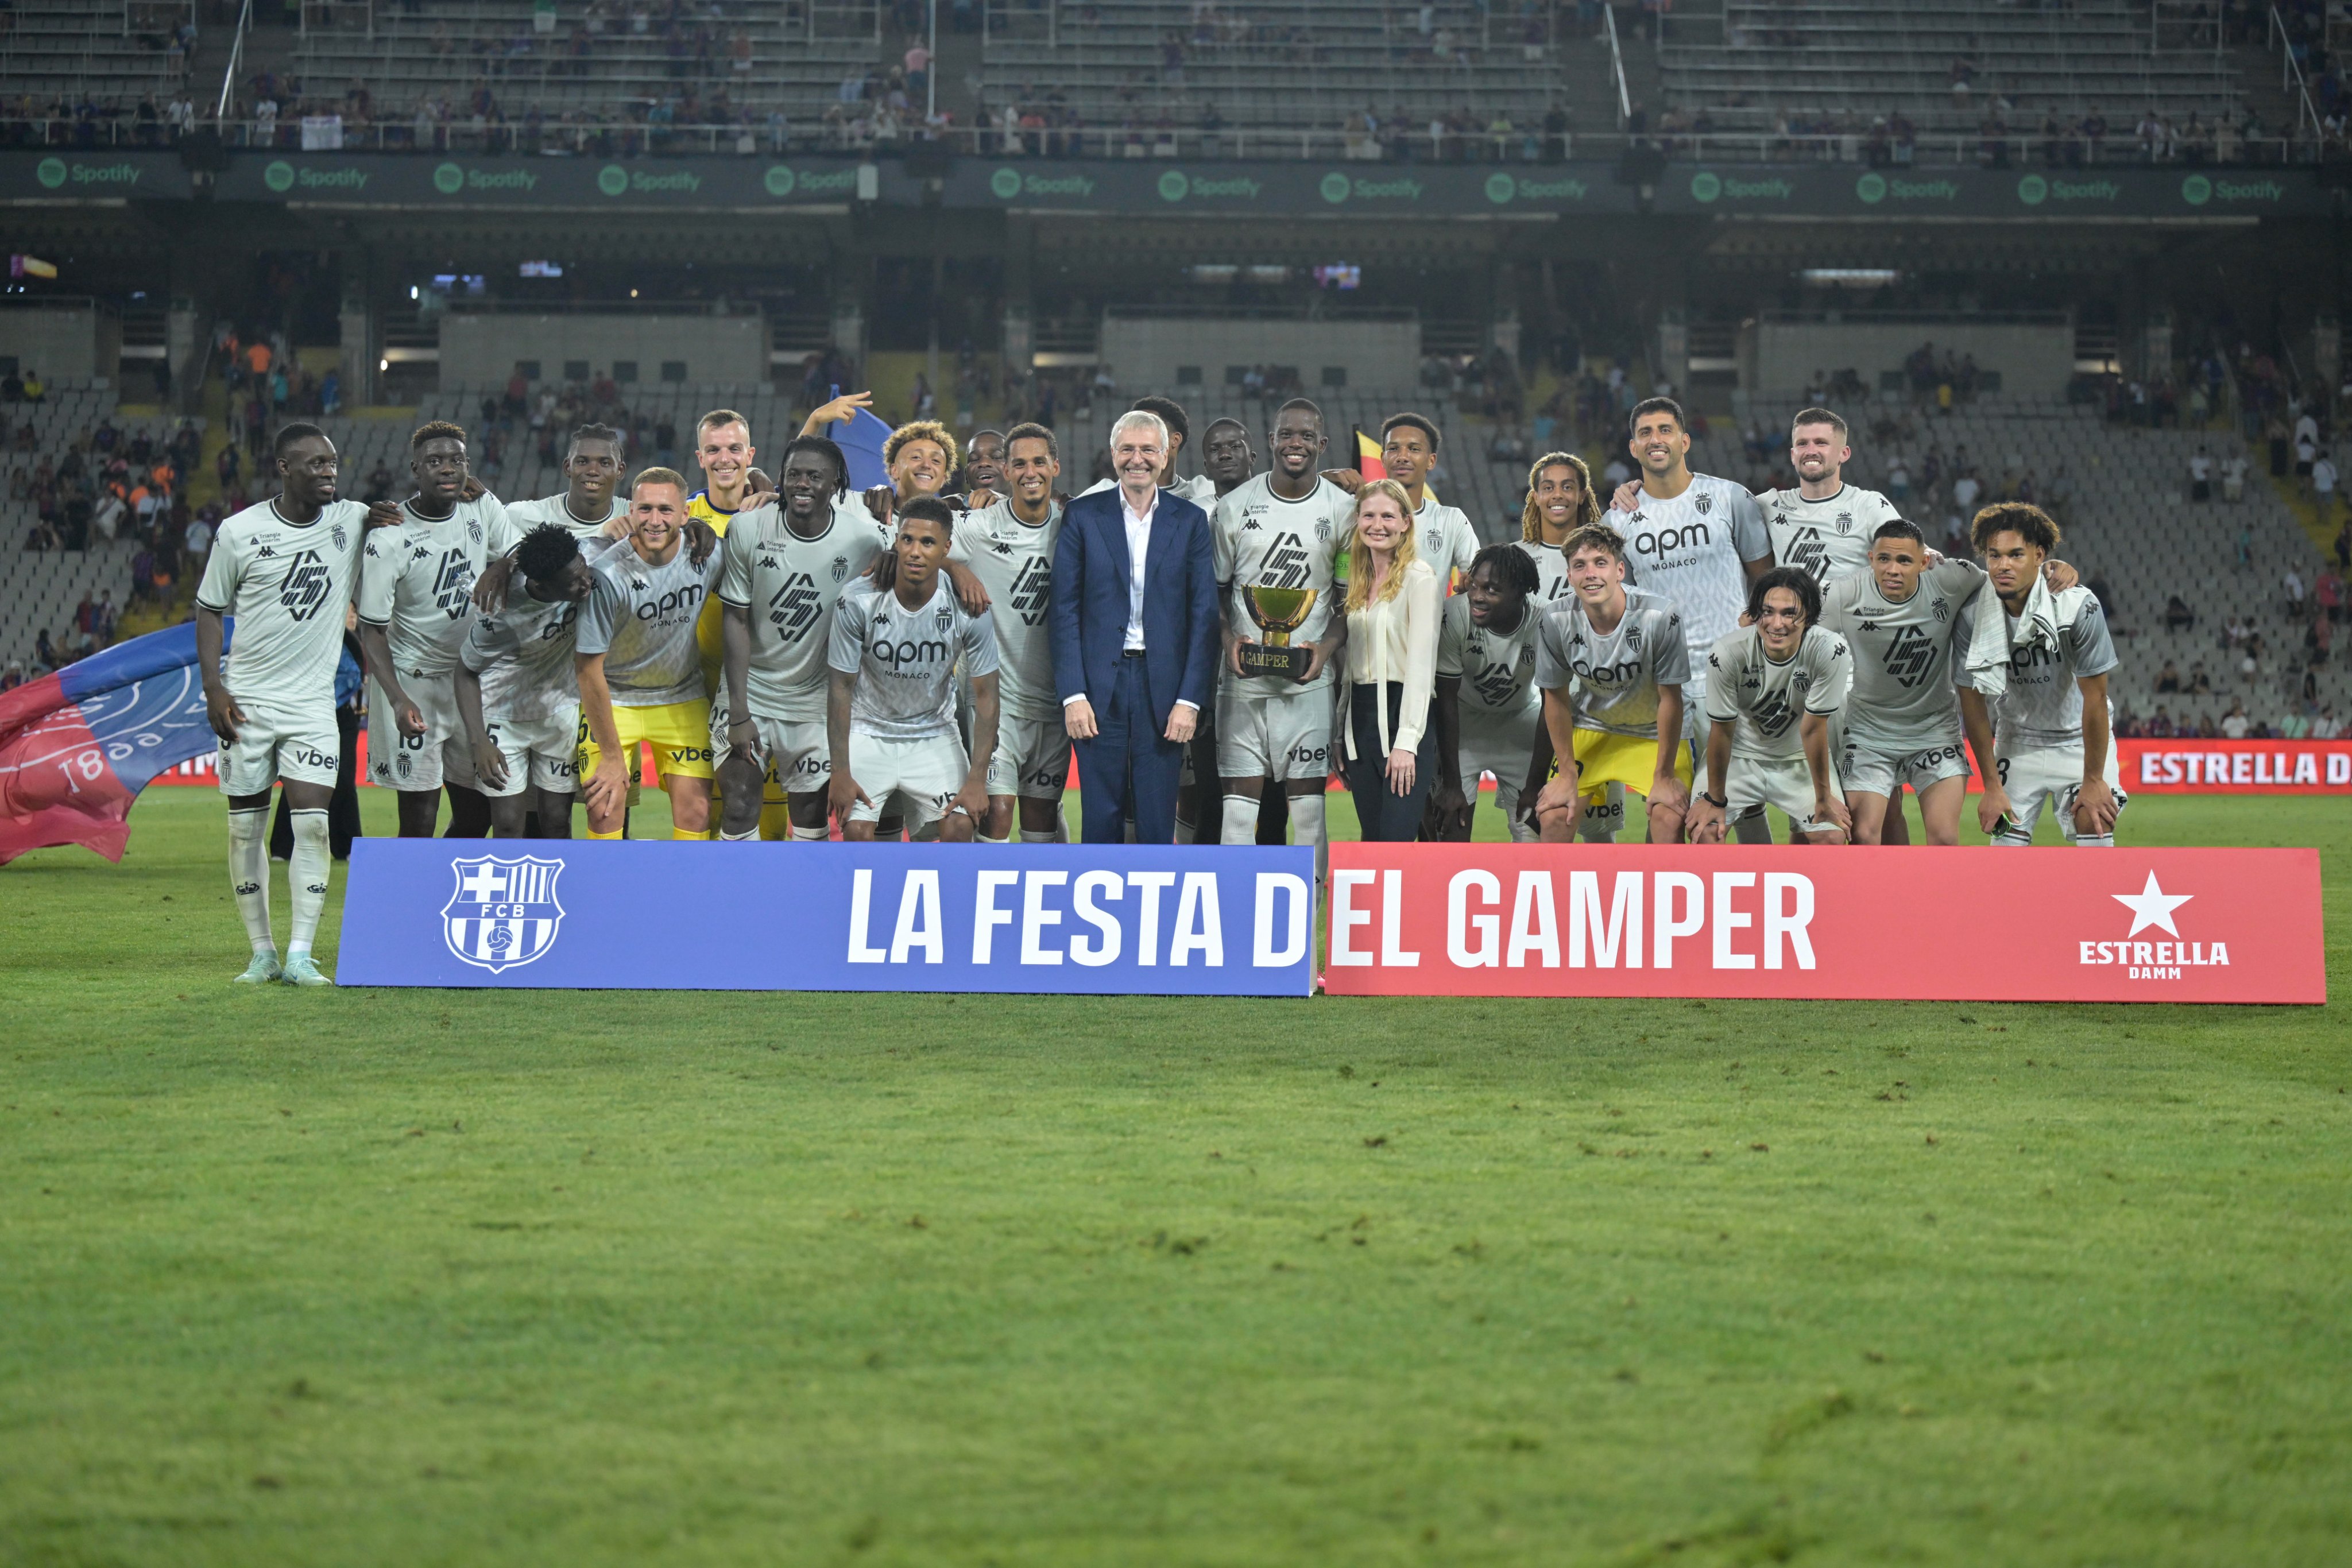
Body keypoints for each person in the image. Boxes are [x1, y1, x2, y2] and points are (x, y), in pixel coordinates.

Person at [192, 424, 370, 986]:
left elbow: (420, 507)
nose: (328, 472)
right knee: (245, 830)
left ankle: (301, 952)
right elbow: (208, 609)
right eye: (315, 463)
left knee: (313, 826)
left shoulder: (352, 519)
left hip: (313, 706)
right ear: (284, 468)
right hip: (247, 703)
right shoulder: (238, 531)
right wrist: (214, 689)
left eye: (333, 463)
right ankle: (262, 951)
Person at [1050, 408, 1219, 844]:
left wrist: (1189, 700)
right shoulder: (1084, 516)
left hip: (1162, 688)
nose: (1137, 458)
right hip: (1096, 687)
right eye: (1128, 449)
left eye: (1148, 449)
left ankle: (1156, 911)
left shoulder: (1190, 521)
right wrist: (1073, 694)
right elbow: (1064, 609)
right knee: (1100, 817)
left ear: (1165, 455)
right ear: (1113, 454)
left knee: (1157, 818)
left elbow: (1204, 618)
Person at [714, 435, 888, 843]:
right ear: (780, 478)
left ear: (835, 485)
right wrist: (738, 712)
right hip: (751, 689)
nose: (802, 484)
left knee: (810, 816)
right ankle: (739, 903)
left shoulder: (865, 542)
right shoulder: (748, 527)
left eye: (815, 476)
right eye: (794, 475)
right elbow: (735, 620)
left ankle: (798, 904)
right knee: (738, 803)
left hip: (816, 699)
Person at [354, 420, 516, 838]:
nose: (447, 468)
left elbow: (517, 549)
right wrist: (396, 699)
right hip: (414, 682)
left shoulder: (482, 506)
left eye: (457, 460)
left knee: (478, 811)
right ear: (415, 470)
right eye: (435, 461)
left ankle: (443, 894)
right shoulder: (388, 537)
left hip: (471, 679)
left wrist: (501, 564)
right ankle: (410, 902)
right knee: (419, 816)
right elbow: (371, 630)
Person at [1212, 398, 1353, 865]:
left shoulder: (1344, 511)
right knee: (1236, 815)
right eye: (1287, 435)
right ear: (1271, 441)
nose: (1296, 444)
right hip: (1243, 683)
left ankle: (1303, 932)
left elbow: (1347, 600)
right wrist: (1231, 641)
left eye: (1307, 436)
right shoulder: (1234, 507)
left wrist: (1327, 646)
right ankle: (1238, 921)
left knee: (1309, 816)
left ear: (1323, 444)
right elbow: (1216, 593)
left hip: (1308, 685)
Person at [1819, 519, 2006, 846]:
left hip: (1934, 732)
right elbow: (1798, 630)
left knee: (1945, 838)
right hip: (1868, 733)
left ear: (1923, 561)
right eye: (1884, 559)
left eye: (1904, 561)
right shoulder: (1844, 592)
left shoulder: (1953, 578)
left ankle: (1932, 899)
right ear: (1870, 558)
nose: (1893, 569)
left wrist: (2050, 571)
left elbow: (2007, 582)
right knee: (1863, 835)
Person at [826, 498, 1000, 842]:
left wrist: (978, 779)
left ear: (946, 548)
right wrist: (840, 772)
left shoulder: (969, 606)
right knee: (857, 831)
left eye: (928, 543)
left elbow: (987, 695)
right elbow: (840, 689)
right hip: (869, 729)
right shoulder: (858, 598)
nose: (915, 552)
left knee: (961, 826)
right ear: (896, 540)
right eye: (907, 540)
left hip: (933, 731)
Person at [575, 468, 726, 839]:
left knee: (697, 811)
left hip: (681, 696)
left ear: (686, 514)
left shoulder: (709, 556)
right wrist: (611, 756)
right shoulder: (606, 574)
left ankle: (684, 897)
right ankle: (608, 896)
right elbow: (587, 669)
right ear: (631, 511)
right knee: (604, 809)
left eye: (665, 510)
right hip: (615, 700)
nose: (655, 521)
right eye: (645, 510)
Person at [1964, 502, 2123, 847]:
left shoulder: (2079, 607)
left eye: (2016, 555)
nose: (2003, 565)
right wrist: (1990, 786)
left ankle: (2095, 902)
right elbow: (1971, 702)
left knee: (2093, 823)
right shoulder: (1971, 613)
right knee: (2003, 844)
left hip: (2080, 742)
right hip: (2017, 742)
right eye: (1994, 556)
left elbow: (2095, 698)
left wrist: (2094, 778)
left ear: (2039, 555)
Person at [1529, 522, 1692, 845]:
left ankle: (1662, 894)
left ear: (1619, 570)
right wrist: (1565, 774)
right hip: (1594, 727)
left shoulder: (1660, 616)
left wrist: (1663, 777)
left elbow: (1671, 699)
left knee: (1668, 816)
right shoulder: (1555, 618)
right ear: (1570, 575)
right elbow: (1556, 698)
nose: (1590, 573)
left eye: (1600, 563)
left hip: (1652, 733)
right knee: (1554, 816)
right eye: (1580, 566)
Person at [945, 423, 1070, 844]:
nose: (1029, 471)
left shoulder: (1073, 526)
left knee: (1042, 819)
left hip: (1055, 703)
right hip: (996, 700)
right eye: (1019, 463)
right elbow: (917, 543)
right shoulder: (980, 527)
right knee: (997, 812)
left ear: (1055, 466)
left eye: (1039, 461)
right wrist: (955, 566)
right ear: (1007, 470)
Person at [1687, 567, 1853, 846]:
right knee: (1705, 830)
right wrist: (1715, 800)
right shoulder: (1727, 652)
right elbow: (1723, 732)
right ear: (1755, 614)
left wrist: (1824, 799)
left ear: (1810, 615)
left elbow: (1813, 731)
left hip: (1798, 761)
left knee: (1831, 836)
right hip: (1741, 757)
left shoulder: (1830, 650)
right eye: (1768, 612)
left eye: (1790, 613)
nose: (1777, 624)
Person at [453, 523, 596, 838]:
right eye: (572, 583)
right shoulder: (502, 615)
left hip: (560, 710)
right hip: (505, 718)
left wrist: (506, 561)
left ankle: (560, 889)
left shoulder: (581, 556)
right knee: (507, 825)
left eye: (583, 572)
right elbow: (465, 673)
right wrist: (480, 743)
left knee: (559, 822)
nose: (585, 584)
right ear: (542, 586)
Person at [1337, 478, 1442, 841]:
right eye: (1368, 515)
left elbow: (1421, 666)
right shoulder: (1357, 579)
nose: (1377, 525)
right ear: (1358, 519)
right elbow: (1352, 664)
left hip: (1403, 715)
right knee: (1371, 839)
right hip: (1360, 721)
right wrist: (1341, 732)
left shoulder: (1420, 578)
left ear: (1405, 523)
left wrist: (1406, 741)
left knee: (1395, 842)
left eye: (1387, 516)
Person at [1432, 543, 1545, 842]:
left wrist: (1535, 784)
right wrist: (1451, 784)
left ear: (1521, 593)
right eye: (1475, 586)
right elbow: (1445, 700)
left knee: (1532, 837)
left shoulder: (1545, 621)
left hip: (1522, 725)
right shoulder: (1455, 613)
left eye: (1492, 590)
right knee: (1451, 831)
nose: (1478, 597)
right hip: (1463, 726)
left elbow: (1553, 706)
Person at [1753, 408, 1902, 585]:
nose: (1810, 450)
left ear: (1844, 454)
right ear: (1793, 456)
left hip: (1849, 612)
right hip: (1789, 612)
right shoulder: (1769, 504)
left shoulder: (1868, 504)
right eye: (1802, 444)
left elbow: (1907, 547)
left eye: (1821, 443)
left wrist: (1926, 552)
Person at [1517, 450, 1598, 606]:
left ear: (1582, 496)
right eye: (1548, 488)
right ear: (1536, 497)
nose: (1557, 495)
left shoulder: (1604, 556)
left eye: (1567, 487)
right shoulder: (1514, 559)